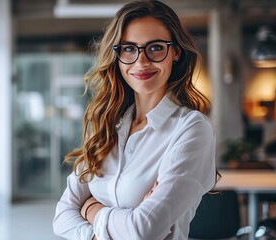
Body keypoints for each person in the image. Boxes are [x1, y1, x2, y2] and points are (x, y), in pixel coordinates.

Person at [53, 0, 217, 239]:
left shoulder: (191, 129)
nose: (141, 61)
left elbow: (143, 230)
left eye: (156, 47)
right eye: (129, 48)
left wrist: (91, 208)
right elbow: (61, 217)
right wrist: (102, 232)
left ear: (175, 52)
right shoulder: (105, 126)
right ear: (117, 56)